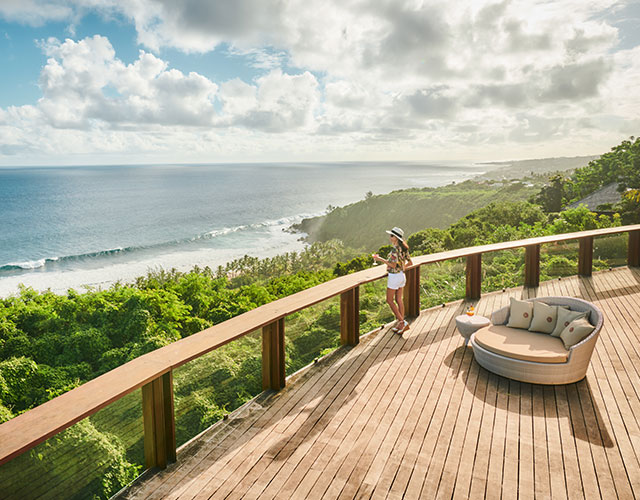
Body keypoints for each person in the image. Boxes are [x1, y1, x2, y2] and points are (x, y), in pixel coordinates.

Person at [373, 226, 413, 334]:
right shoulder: (404, 248)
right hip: (401, 276)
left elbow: (393, 265)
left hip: (394, 277)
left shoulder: (395, 250)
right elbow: (410, 263)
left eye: (391, 235)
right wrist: (402, 268)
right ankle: (401, 324)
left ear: (395, 237)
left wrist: (380, 259)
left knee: (389, 300)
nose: (390, 237)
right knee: (399, 300)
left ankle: (402, 322)